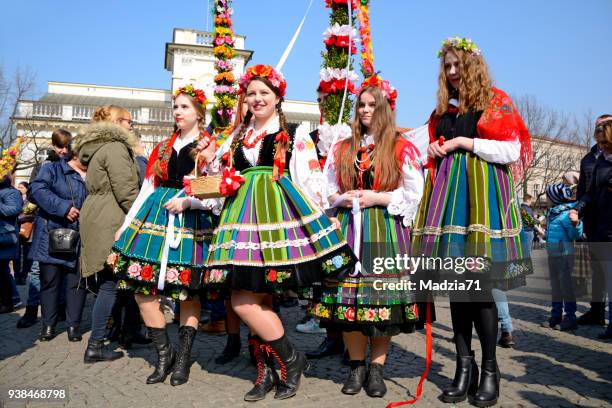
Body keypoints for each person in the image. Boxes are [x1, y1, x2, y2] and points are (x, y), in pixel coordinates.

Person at [200, 64, 356, 401]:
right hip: (241, 220)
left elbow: (309, 178)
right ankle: (274, 366)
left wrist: (323, 214)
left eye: (263, 93)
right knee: (246, 297)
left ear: (277, 98)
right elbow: (219, 176)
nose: (256, 99)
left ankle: (284, 362)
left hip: (276, 218)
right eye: (252, 93)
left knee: (253, 299)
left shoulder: (295, 134)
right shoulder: (236, 136)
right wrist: (211, 161)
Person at [411, 37, 533, 407]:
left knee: (479, 291)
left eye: (456, 65)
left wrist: (466, 142)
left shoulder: (495, 100)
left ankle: (490, 369)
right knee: (457, 290)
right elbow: (423, 150)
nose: (451, 73)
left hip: (481, 199)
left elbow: (511, 149)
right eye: (446, 67)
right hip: (449, 200)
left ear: (472, 66)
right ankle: (464, 368)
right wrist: (431, 150)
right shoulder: (441, 111)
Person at [310, 77, 424, 398]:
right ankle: (356, 367)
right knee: (348, 304)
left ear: (385, 108)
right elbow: (325, 188)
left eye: (373, 104)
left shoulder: (400, 146)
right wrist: (339, 199)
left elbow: (414, 192)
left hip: (383, 227)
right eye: (361, 104)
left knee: (380, 304)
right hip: (348, 225)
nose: (366, 109)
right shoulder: (343, 147)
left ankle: (377, 370)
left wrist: (379, 198)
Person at [109, 86, 220, 385]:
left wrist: (190, 201)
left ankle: (183, 357)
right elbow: (148, 188)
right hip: (157, 214)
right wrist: (127, 223)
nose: (178, 112)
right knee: (140, 286)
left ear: (198, 112)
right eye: (176, 107)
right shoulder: (162, 148)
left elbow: (217, 193)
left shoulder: (210, 147)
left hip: (192, 219)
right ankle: (163, 353)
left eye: (184, 107)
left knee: (188, 291)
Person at [75, 105, 140, 363]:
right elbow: (126, 190)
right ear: (116, 122)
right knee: (110, 284)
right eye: (128, 121)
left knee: (110, 282)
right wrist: (141, 216)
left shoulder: (99, 148)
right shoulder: (114, 148)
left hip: (97, 214)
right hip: (110, 217)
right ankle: (95, 345)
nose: (132, 126)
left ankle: (119, 332)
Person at [29, 149, 88, 342]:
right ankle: (48, 325)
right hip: (52, 234)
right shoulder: (52, 169)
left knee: (77, 283)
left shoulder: (95, 173)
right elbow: (37, 191)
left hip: (83, 237)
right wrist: (64, 208)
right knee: (50, 282)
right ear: (76, 153)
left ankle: (73, 325)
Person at [573, 118, 612, 339]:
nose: (602, 145)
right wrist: (577, 210)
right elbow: (585, 191)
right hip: (596, 223)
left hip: (608, 221)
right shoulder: (591, 159)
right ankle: (596, 311)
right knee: (599, 272)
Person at [542, 184, 582, 331]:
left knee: (566, 288)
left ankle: (571, 317)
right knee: (556, 287)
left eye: (548, 197)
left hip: (565, 255)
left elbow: (574, 235)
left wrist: (576, 224)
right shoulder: (552, 213)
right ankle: (556, 315)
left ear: (555, 198)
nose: (546, 199)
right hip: (553, 255)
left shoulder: (566, 214)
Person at [0, 140, 24, 314]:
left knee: (2, 272)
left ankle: (10, 301)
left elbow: (14, 209)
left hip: (5, 237)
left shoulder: (11, 192)